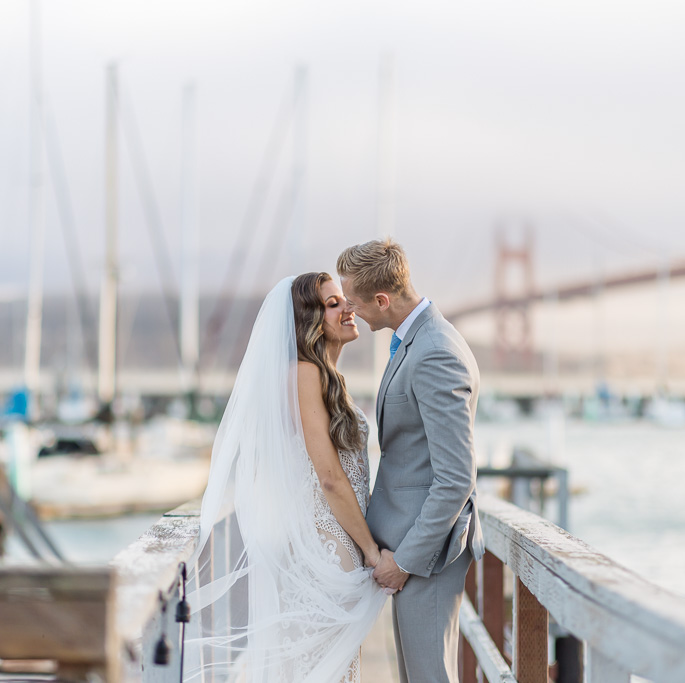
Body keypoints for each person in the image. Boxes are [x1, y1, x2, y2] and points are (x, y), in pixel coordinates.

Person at [183, 272, 387, 683]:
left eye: (343, 299)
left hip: (330, 546)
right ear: (309, 321)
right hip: (330, 551)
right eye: (333, 304)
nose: (348, 308)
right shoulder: (303, 374)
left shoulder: (324, 377)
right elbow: (329, 476)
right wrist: (371, 550)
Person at [337, 238, 483, 683]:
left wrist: (405, 561)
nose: (351, 311)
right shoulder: (414, 340)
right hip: (412, 543)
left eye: (356, 303)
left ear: (382, 300)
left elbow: (456, 478)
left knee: (429, 677)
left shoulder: (435, 351)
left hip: (429, 551)